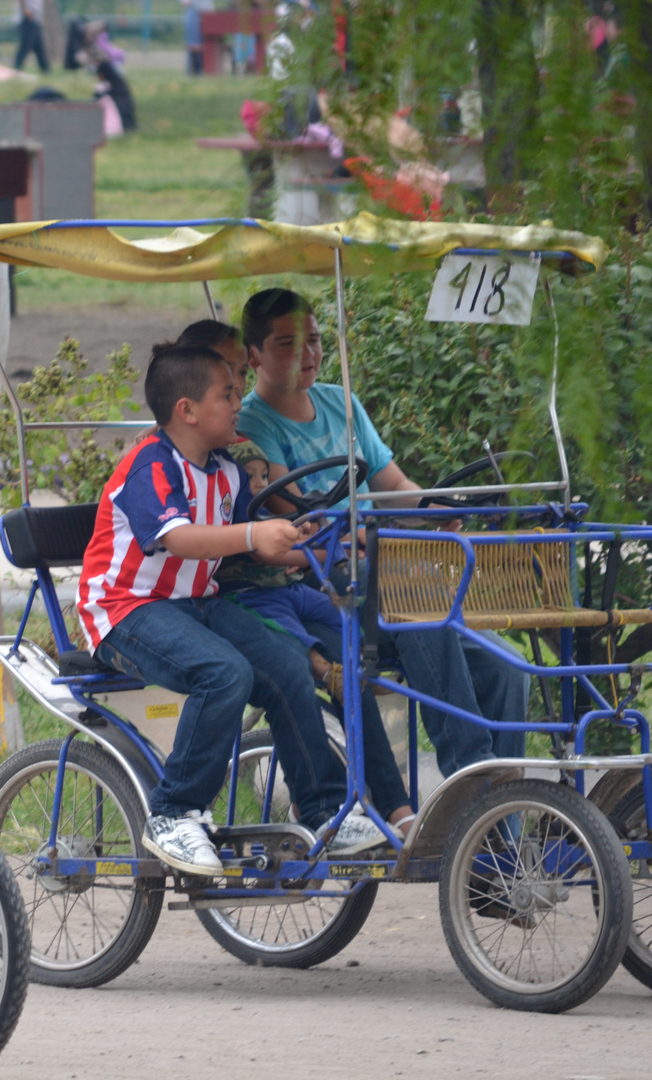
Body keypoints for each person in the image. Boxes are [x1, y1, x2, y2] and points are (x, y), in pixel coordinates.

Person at [79, 344, 382, 877]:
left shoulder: (226, 471)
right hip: (125, 611)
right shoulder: (149, 465)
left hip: (195, 605)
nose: (239, 402)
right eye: (228, 393)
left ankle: (322, 817)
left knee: (289, 666)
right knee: (223, 673)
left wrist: (325, 542)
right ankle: (172, 813)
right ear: (187, 410)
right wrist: (252, 532)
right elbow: (179, 538)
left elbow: (260, 545)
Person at [232, 287, 529, 780]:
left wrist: (436, 510)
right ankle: (472, 779)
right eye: (288, 344)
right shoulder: (252, 423)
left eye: (315, 340)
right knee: (413, 594)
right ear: (253, 355)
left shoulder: (339, 401)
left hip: (382, 571)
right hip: (321, 582)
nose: (308, 355)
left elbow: (394, 486)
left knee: (509, 669)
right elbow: (297, 516)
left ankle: (503, 824)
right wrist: (373, 534)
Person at [14, 0, 49, 72]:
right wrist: (25, 10)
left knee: (38, 46)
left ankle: (45, 69)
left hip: (35, 19)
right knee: (25, 46)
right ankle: (16, 68)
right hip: (27, 19)